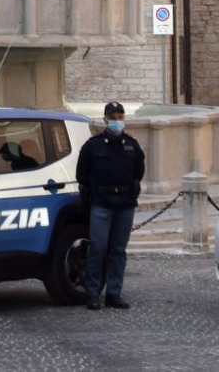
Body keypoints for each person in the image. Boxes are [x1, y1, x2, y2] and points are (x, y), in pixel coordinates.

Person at [75, 100, 145, 310]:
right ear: (105, 119)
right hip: (102, 203)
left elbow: (139, 172)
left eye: (120, 117)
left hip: (124, 204)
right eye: (113, 118)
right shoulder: (93, 145)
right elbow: (82, 174)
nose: (116, 121)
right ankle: (93, 293)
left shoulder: (132, 145)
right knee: (97, 248)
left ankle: (114, 293)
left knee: (118, 250)